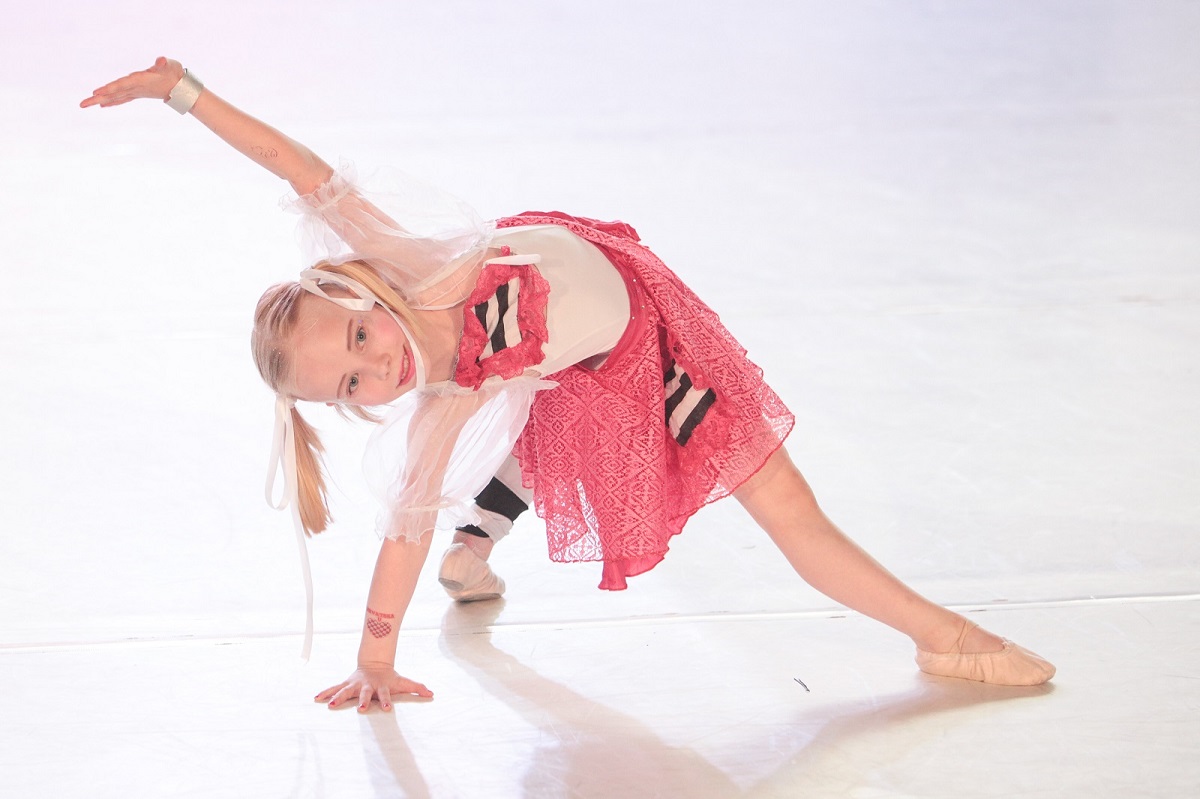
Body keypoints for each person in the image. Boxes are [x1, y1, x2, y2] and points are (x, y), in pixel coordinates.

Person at [81, 57, 1056, 712]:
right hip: (599, 353)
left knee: (637, 447)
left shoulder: (409, 262)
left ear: (358, 289)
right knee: (613, 440)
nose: (378, 367)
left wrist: (183, 93)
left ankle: (481, 543)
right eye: (352, 384)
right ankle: (945, 636)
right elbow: (398, 534)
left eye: (361, 338)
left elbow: (298, 168)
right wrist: (375, 659)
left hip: (637, 305)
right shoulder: (445, 399)